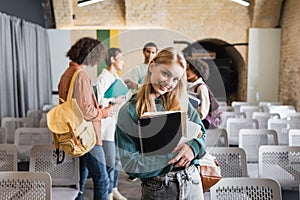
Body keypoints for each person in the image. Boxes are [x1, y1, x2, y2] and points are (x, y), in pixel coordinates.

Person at [116, 47, 206, 200]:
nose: (169, 83)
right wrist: (174, 158)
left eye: (175, 79)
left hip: (192, 182)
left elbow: (202, 136)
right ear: (152, 66)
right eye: (165, 73)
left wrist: (193, 147)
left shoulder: (183, 103)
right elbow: (131, 165)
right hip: (158, 188)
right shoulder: (129, 111)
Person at [58, 37, 111, 200]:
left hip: (74, 133)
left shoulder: (66, 73)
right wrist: (103, 112)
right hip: (87, 136)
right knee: (102, 180)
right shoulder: (80, 75)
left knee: (79, 181)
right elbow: (86, 111)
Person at [96, 47, 127, 200]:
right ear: (113, 59)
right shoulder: (103, 77)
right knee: (109, 161)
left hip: (116, 125)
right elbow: (100, 102)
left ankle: (114, 189)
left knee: (116, 160)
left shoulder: (117, 79)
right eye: (121, 58)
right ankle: (107, 193)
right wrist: (115, 100)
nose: (123, 62)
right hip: (106, 127)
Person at [186, 58, 211, 128]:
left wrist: (194, 117)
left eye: (188, 69)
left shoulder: (201, 87)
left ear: (195, 70)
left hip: (196, 122)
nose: (185, 72)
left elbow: (203, 111)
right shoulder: (189, 85)